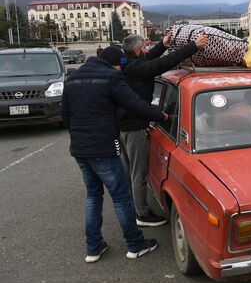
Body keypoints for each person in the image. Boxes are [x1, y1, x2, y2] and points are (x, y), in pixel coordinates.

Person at [61, 47, 168, 263]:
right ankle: (135, 245)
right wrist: (161, 115)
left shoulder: (72, 78)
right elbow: (135, 104)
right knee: (121, 197)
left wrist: (80, 139)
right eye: (120, 65)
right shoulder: (111, 77)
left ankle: (93, 248)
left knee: (93, 196)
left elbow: (65, 115)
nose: (122, 69)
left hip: (80, 150)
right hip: (104, 147)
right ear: (115, 64)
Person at [118, 32, 208, 227]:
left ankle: (135, 205)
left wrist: (163, 44)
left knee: (130, 171)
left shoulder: (129, 62)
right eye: (144, 47)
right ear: (136, 50)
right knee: (137, 172)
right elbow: (158, 65)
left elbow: (150, 61)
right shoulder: (136, 66)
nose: (146, 50)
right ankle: (141, 214)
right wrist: (193, 46)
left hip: (125, 124)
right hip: (133, 126)